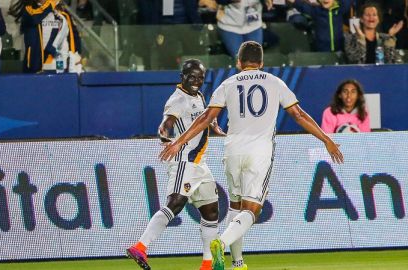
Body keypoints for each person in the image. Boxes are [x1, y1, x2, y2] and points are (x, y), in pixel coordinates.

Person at [159, 41, 343, 270]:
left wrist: (179, 141)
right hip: (259, 153)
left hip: (233, 151)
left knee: (235, 208)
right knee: (251, 210)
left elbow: (205, 118)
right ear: (262, 63)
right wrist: (326, 139)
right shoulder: (275, 82)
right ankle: (221, 242)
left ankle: (237, 263)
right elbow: (298, 114)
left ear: (238, 62)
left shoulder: (227, 84)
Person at [126, 59, 225, 270]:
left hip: (201, 164)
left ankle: (207, 264)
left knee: (211, 212)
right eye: (192, 77)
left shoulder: (198, 96)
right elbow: (165, 125)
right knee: (175, 203)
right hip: (184, 162)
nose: (196, 81)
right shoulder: (177, 100)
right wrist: (165, 139)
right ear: (182, 77)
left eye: (200, 78)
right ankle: (141, 246)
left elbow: (204, 116)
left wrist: (214, 124)